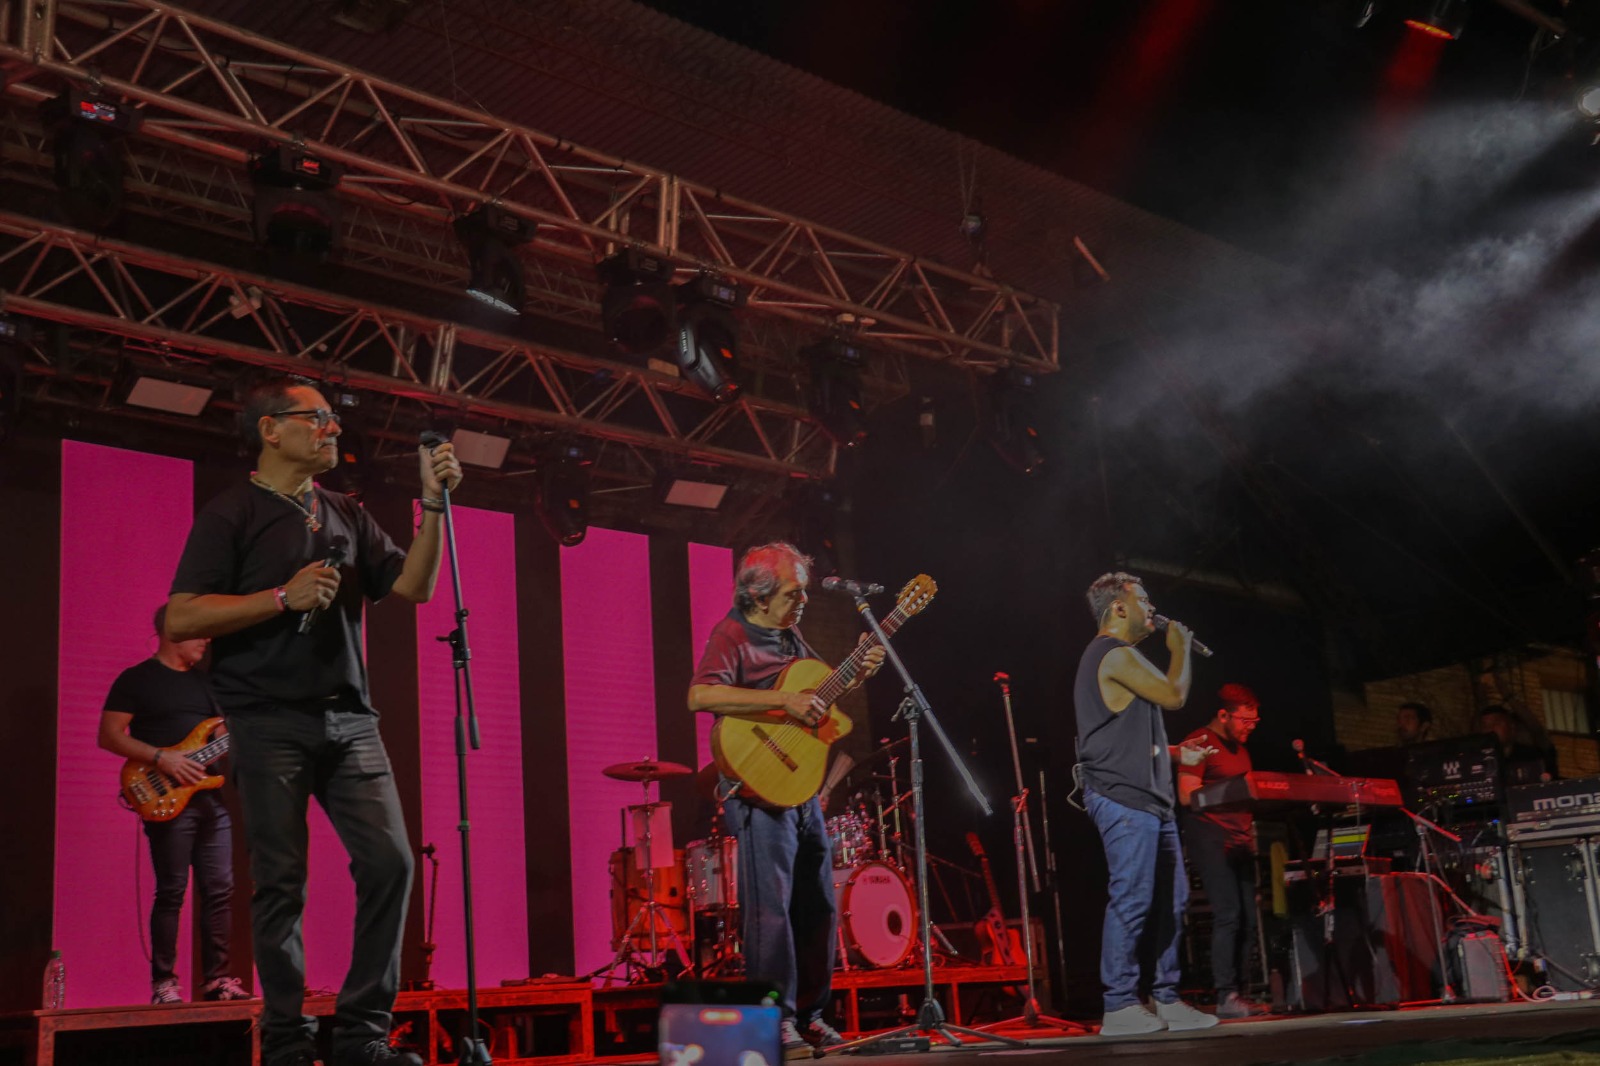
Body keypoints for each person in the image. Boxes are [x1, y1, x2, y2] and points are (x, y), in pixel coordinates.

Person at [166, 375, 461, 1066]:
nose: (334, 428)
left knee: (391, 864)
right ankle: (288, 1042)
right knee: (282, 883)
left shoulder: (345, 513)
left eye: (334, 419)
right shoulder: (231, 512)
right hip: (266, 721)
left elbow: (414, 587)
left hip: (351, 721)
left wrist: (434, 506)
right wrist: (279, 597)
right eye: (319, 417)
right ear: (272, 430)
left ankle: (362, 1036)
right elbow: (182, 614)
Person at [687, 542, 884, 1052]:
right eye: (794, 593)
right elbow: (700, 695)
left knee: (817, 904)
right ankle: (773, 1021)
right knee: (769, 910)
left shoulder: (789, 634)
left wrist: (857, 672)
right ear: (759, 594)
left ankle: (812, 1016)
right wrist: (782, 700)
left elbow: (820, 689)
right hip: (753, 789)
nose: (803, 602)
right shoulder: (732, 633)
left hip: (798, 788)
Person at [1073, 571, 1217, 1036]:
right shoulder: (1111, 655)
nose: (1151, 609)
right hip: (1123, 797)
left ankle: (1168, 998)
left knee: (1172, 902)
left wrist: (1177, 754)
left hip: (1150, 800)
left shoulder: (1126, 659)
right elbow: (1175, 695)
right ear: (1119, 607)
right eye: (1144, 601)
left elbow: (1124, 734)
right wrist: (1178, 648)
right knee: (1133, 897)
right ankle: (1118, 1005)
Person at [97, 605, 250, 1005]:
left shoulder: (209, 684)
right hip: (162, 794)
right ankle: (164, 982)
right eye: (199, 631)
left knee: (220, 888)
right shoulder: (136, 680)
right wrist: (162, 759)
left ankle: (217, 980)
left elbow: (219, 734)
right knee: (172, 890)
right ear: (172, 630)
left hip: (210, 798)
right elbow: (110, 736)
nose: (207, 639)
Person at [1176, 684, 1267, 1020]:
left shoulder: (1240, 750)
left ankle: (1240, 993)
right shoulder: (1199, 742)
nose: (1250, 727)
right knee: (1228, 913)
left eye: (1255, 722)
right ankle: (1225, 993)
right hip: (1211, 838)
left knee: (1247, 918)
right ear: (1224, 714)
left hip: (1241, 839)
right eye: (1245, 721)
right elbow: (1187, 795)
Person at [1477, 704, 1556, 786]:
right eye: (1485, 726)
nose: (1490, 729)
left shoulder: (1532, 756)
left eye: (1496, 723)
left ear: (1512, 727)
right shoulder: (1478, 760)